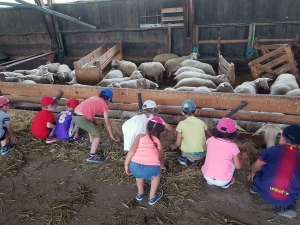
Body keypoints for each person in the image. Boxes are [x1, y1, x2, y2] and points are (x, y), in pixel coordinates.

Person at [248, 125, 300, 219]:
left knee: (263, 169)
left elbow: (256, 166)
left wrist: (252, 173)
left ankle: (255, 187)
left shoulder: (271, 150)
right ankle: (285, 207)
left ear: (281, 137)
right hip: (286, 198)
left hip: (263, 191)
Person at [124, 116, 166, 205]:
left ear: (146, 127)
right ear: (161, 132)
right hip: (151, 169)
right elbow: (160, 158)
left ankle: (140, 193)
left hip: (134, 166)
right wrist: (162, 165)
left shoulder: (139, 136)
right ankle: (152, 197)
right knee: (157, 174)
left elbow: (132, 151)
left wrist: (126, 164)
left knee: (138, 175)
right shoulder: (158, 142)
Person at [72, 88, 120, 163]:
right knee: (97, 135)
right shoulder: (104, 105)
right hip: (81, 118)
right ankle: (92, 156)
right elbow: (107, 122)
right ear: (109, 99)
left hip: (75, 115)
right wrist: (111, 135)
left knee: (91, 127)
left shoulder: (94, 98)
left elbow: (88, 109)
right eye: (109, 101)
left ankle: (91, 143)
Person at [201, 117, 248, 188]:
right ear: (233, 133)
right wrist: (243, 157)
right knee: (233, 162)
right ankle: (226, 184)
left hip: (206, 176)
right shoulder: (233, 146)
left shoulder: (210, 140)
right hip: (223, 181)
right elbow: (238, 166)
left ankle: (210, 181)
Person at [171, 100, 212, 165]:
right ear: (196, 111)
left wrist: (173, 146)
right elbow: (211, 136)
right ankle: (202, 161)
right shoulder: (202, 122)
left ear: (182, 112)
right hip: (202, 154)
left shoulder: (181, 124)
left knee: (182, 142)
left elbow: (178, 143)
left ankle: (183, 160)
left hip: (188, 154)